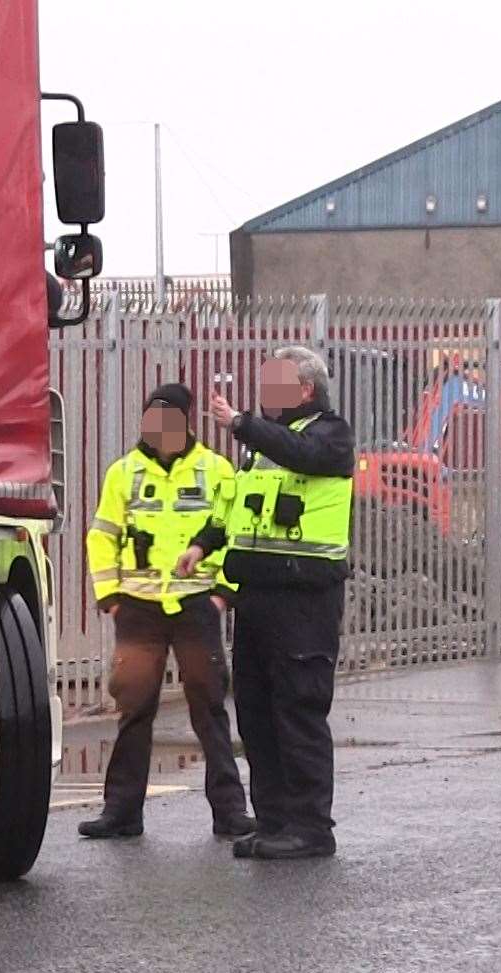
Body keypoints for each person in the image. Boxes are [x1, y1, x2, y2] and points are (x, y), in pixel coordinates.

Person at [178, 347, 354, 861]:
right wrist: (201, 545)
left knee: (298, 714)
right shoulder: (262, 448)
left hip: (304, 602)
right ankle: (275, 820)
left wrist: (239, 422)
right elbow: (234, 506)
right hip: (257, 600)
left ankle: (311, 827)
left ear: (306, 389)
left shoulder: (330, 435)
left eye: (277, 383)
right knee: (256, 715)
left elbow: (302, 455)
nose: (266, 391)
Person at [79, 383, 258, 841]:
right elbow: (102, 536)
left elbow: (234, 536)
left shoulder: (216, 471)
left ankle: (229, 813)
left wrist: (222, 594)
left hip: (196, 605)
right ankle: (121, 812)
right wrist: (111, 598)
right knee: (134, 710)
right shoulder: (124, 473)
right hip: (138, 609)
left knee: (209, 708)